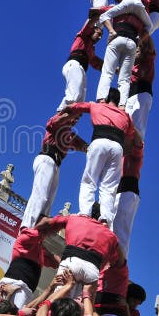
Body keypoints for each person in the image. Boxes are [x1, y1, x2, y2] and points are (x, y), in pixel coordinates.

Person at [52, 88, 136, 225]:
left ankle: (85, 212)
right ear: (119, 101)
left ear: (107, 98)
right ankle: (105, 218)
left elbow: (76, 107)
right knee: (109, 186)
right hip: (117, 148)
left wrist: (65, 109)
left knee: (89, 180)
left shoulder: (96, 105)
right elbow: (131, 137)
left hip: (99, 142)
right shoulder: (126, 116)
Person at [41, 202, 123, 299]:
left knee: (59, 300)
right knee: (78, 304)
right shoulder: (110, 235)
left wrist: (36, 233)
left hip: (72, 262)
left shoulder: (75, 219)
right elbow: (119, 261)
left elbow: (48, 222)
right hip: (92, 269)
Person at [96, 0, 155, 106]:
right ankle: (122, 105)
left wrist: (111, 31)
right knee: (125, 79)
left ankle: (101, 99)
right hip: (132, 41)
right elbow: (149, 27)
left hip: (118, 34)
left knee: (108, 72)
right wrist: (139, 40)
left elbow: (103, 15)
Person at [21, 115, 87, 228]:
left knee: (49, 200)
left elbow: (86, 147)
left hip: (56, 165)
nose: (75, 119)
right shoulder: (59, 124)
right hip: (47, 159)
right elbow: (52, 123)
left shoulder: (70, 135)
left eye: (78, 117)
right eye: (75, 115)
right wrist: (68, 113)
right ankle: (27, 225)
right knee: (40, 194)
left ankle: (37, 228)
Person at [0, 221, 60, 309]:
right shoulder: (24, 238)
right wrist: (55, 224)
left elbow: (58, 263)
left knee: (11, 313)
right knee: (11, 315)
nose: (49, 234)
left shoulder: (41, 250)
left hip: (25, 287)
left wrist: (48, 253)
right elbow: (37, 234)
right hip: (17, 284)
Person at [57, 10, 106, 112]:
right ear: (93, 30)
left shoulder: (91, 50)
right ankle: (59, 114)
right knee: (73, 96)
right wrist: (101, 12)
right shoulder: (82, 37)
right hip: (74, 64)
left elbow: (99, 64)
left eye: (101, 36)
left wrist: (117, 69)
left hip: (81, 69)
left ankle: (67, 122)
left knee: (79, 102)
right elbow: (89, 23)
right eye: (99, 33)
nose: (100, 37)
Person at [113, 142, 143, 255]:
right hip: (118, 189)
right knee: (112, 228)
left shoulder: (134, 153)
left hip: (128, 187)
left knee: (120, 232)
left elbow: (138, 144)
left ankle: (119, 262)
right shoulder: (119, 155)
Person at [125, 35, 156, 140]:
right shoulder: (128, 66)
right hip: (129, 96)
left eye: (140, 47)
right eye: (136, 48)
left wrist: (146, 33)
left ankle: (136, 148)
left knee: (137, 125)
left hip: (142, 93)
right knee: (126, 124)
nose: (137, 49)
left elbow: (151, 47)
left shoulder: (148, 60)